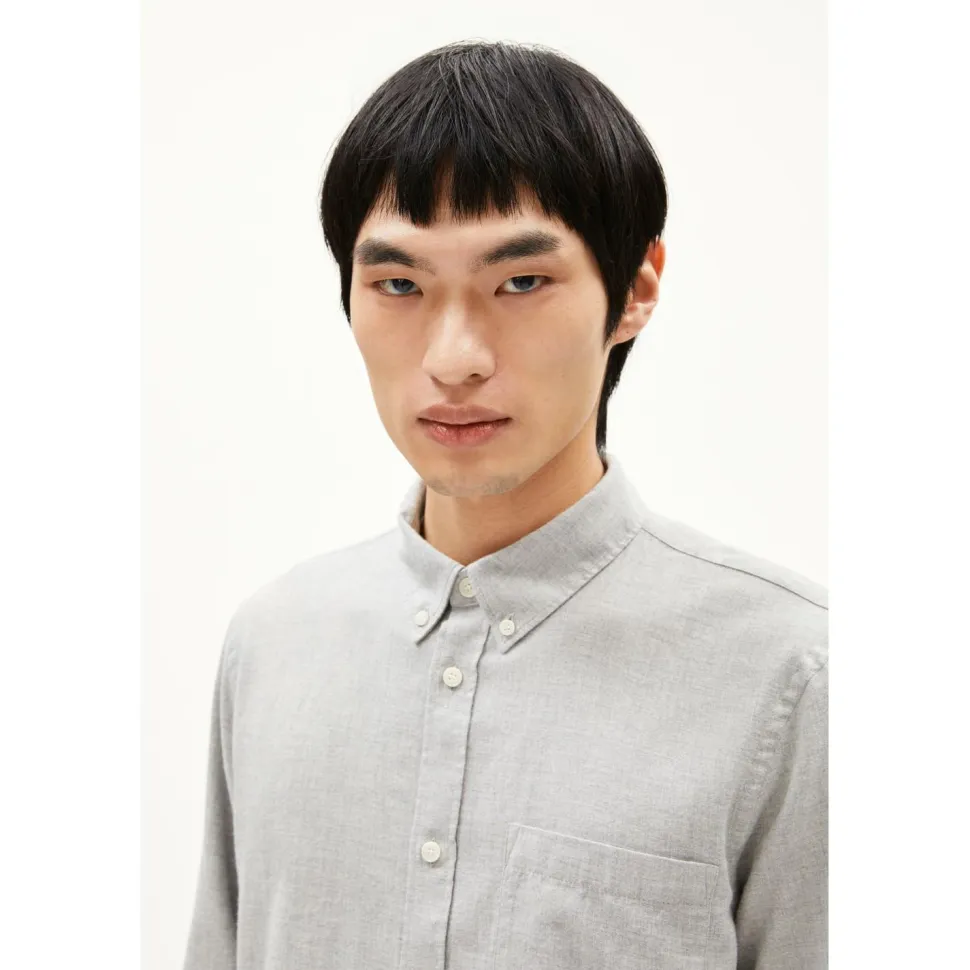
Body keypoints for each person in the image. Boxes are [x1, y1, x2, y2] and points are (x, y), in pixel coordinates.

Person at [182, 39, 827, 970]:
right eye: (398, 284)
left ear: (635, 290)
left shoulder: (791, 674)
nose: (454, 358)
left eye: (521, 281)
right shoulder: (274, 643)